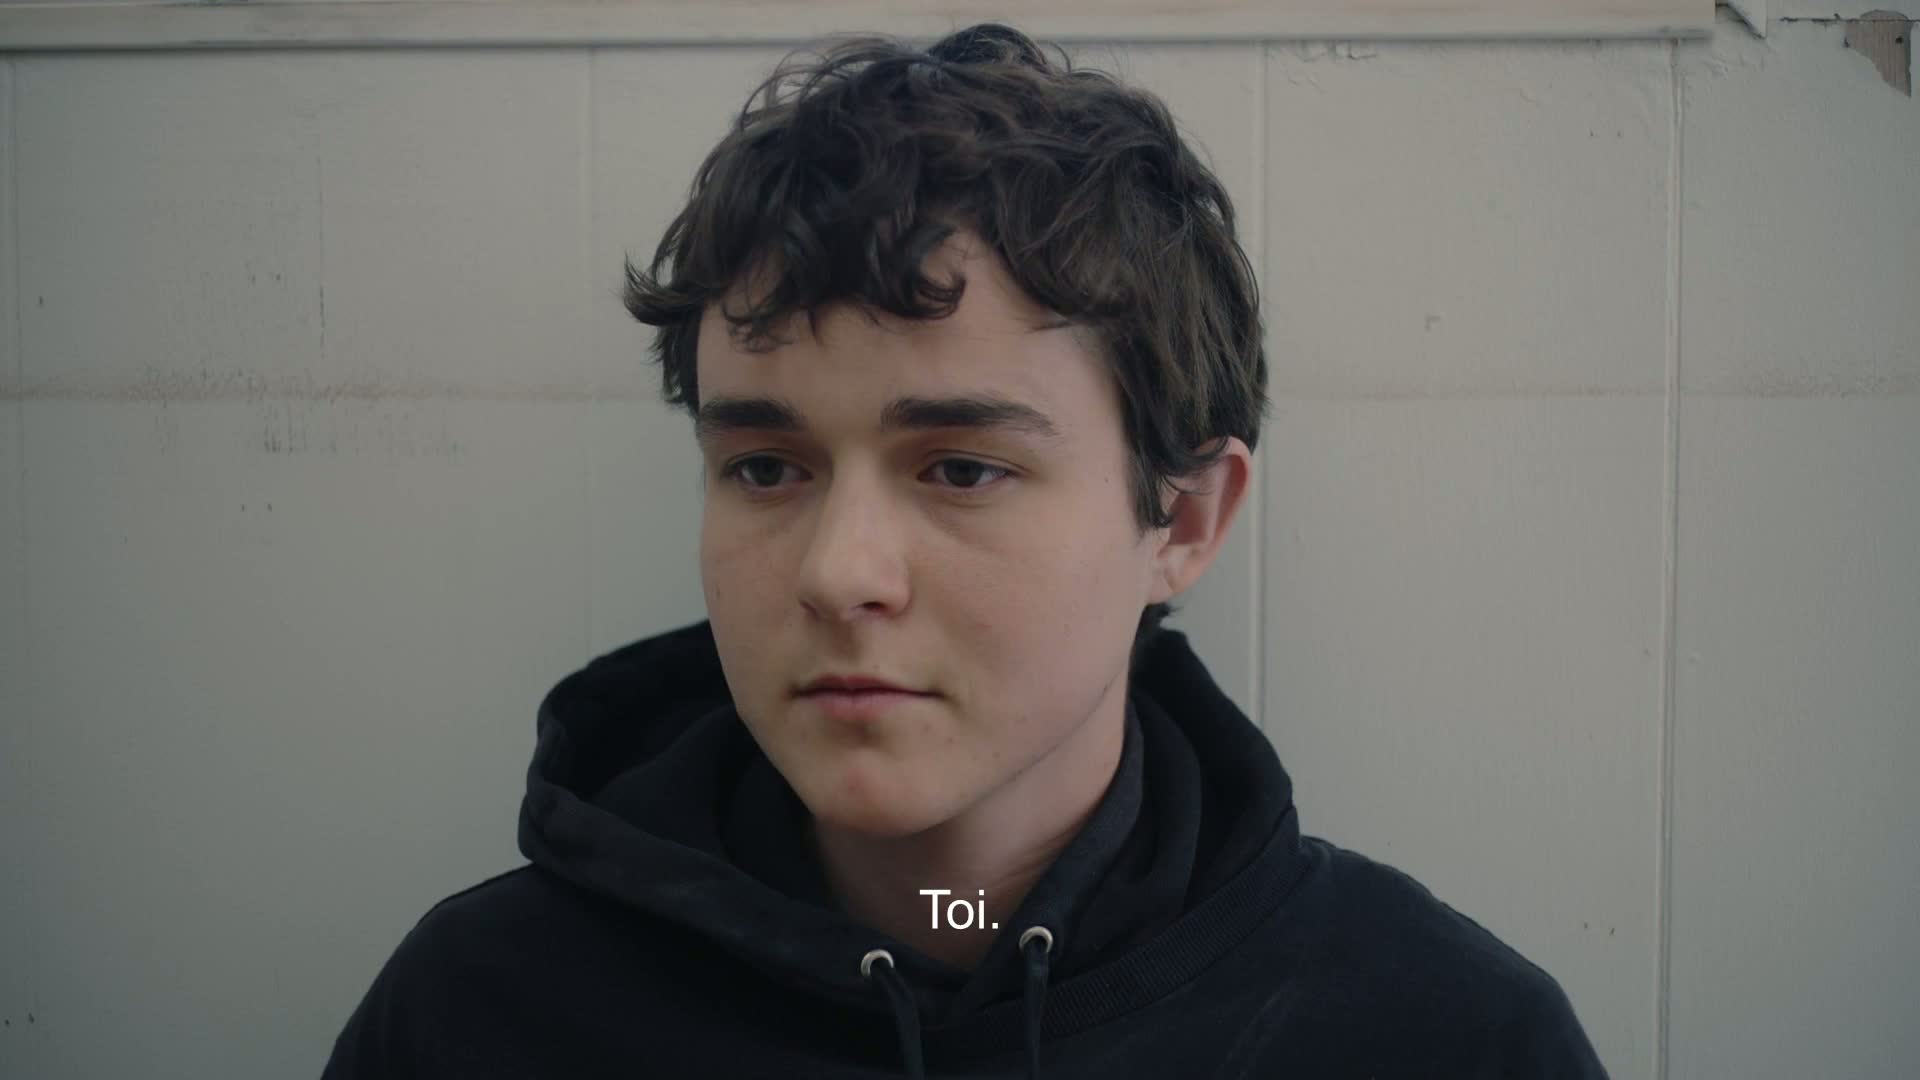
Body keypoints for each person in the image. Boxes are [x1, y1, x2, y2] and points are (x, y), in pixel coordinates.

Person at [322, 22, 1607, 1079]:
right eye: (766, 468)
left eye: (962, 469)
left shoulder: (1442, 1040)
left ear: (1184, 522)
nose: (839, 575)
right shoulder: (482, 1020)